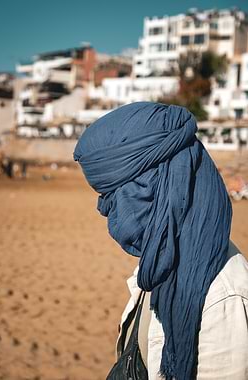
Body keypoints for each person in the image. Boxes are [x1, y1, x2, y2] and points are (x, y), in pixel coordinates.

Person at [73, 102, 248, 380]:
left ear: (159, 183)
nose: (104, 207)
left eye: (115, 193)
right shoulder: (162, 256)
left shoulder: (221, 297)